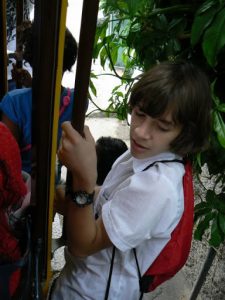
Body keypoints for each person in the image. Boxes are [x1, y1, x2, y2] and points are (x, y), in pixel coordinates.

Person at [51, 61, 212, 300]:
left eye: (163, 126)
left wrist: (84, 177)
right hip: (77, 282)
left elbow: (84, 245)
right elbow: (104, 196)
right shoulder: (143, 154)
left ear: (186, 133)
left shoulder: (159, 186)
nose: (140, 132)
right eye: (140, 113)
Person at [0, 21, 78, 175]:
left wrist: (31, 85)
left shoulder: (14, 102)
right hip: (53, 184)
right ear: (69, 60)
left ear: (31, 58)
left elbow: (7, 163)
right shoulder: (76, 100)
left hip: (21, 189)